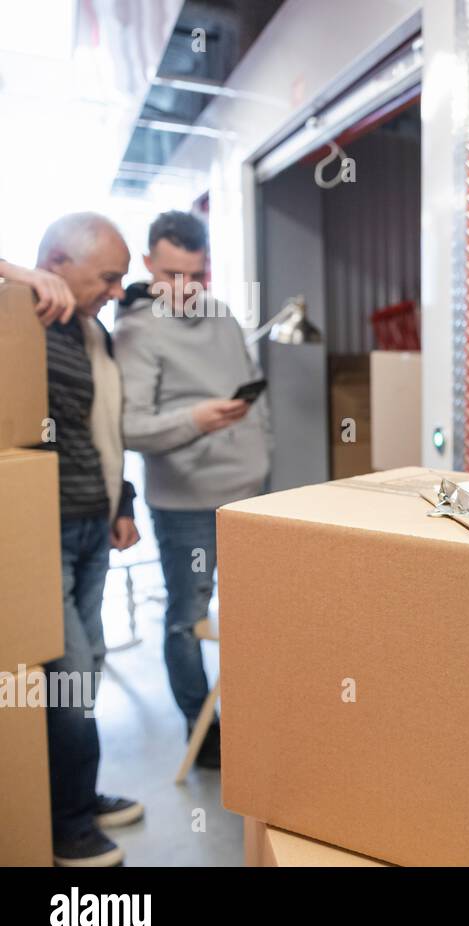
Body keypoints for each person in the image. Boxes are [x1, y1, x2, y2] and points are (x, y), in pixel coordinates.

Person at [0, 214, 145, 866]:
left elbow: (100, 429)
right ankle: (62, 823)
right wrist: (15, 274)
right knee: (68, 677)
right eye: (108, 277)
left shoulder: (92, 331)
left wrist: (121, 501)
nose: (117, 290)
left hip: (91, 522)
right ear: (56, 260)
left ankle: (77, 796)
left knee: (84, 670)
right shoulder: (16, 316)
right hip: (38, 534)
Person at [114, 210, 272, 768]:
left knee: (258, 614)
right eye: (172, 275)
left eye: (196, 276)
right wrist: (194, 420)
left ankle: (258, 718)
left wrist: (263, 448)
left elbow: (254, 392)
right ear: (150, 264)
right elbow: (128, 427)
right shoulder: (135, 332)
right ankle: (203, 737)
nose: (185, 288)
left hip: (250, 495)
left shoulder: (224, 318)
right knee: (188, 617)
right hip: (186, 508)